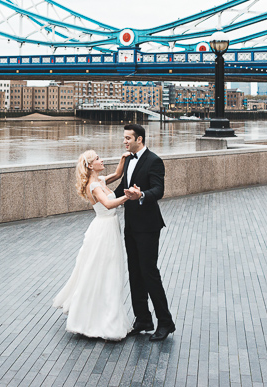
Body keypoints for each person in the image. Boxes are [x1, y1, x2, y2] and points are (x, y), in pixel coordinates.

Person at [52, 149, 134, 340]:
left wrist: (122, 159)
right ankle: (98, 318)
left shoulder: (101, 181)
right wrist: (128, 197)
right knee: (103, 271)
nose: (101, 159)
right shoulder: (94, 186)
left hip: (107, 228)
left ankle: (96, 311)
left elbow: (117, 174)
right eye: (98, 158)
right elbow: (107, 204)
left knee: (101, 270)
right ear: (90, 165)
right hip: (103, 231)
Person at [115, 124, 176, 341]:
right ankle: (143, 319)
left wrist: (141, 195)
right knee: (134, 272)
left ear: (139, 139)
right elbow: (121, 189)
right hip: (131, 225)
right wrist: (98, 192)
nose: (125, 141)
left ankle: (165, 322)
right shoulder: (129, 160)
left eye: (128, 138)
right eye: (124, 138)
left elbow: (158, 190)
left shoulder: (154, 161)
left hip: (148, 226)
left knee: (149, 273)